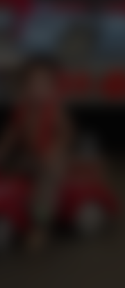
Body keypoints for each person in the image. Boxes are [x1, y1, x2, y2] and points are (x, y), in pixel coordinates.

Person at [0, 57, 73, 250]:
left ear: (52, 88)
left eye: (43, 85)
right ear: (23, 87)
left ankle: (40, 226)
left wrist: (55, 152)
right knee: (10, 172)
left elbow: (65, 134)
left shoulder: (54, 109)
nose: (36, 90)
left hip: (50, 161)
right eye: (31, 84)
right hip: (29, 157)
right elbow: (12, 134)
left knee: (45, 190)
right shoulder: (22, 109)